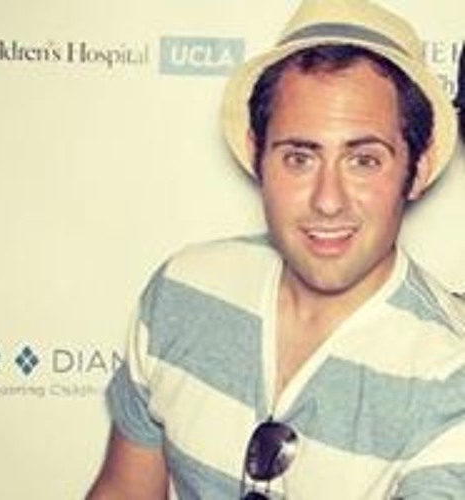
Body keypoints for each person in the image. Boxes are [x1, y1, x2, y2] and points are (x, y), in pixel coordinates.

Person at [86, 0, 465, 498]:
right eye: (299, 158)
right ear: (256, 154)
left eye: (364, 160)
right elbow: (122, 490)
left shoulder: (450, 374)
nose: (328, 201)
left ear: (417, 170)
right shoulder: (181, 290)